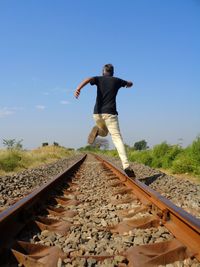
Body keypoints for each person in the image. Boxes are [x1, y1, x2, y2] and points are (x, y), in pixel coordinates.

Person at [74, 64, 136, 178]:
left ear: (103, 72)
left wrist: (78, 88)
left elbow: (88, 79)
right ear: (112, 72)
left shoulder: (98, 79)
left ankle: (97, 130)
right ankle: (126, 165)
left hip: (97, 114)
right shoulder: (117, 81)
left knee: (104, 132)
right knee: (117, 138)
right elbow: (129, 83)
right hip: (110, 114)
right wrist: (129, 84)